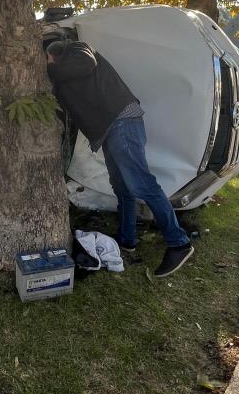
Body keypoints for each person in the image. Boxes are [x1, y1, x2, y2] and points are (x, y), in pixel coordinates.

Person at [46, 40, 194, 277]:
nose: (49, 66)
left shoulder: (78, 49)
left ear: (55, 55)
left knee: (141, 185)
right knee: (121, 187)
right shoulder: (66, 77)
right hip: (109, 129)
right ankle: (127, 239)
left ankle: (179, 243)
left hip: (121, 121)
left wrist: (50, 70)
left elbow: (85, 63)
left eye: (49, 61)